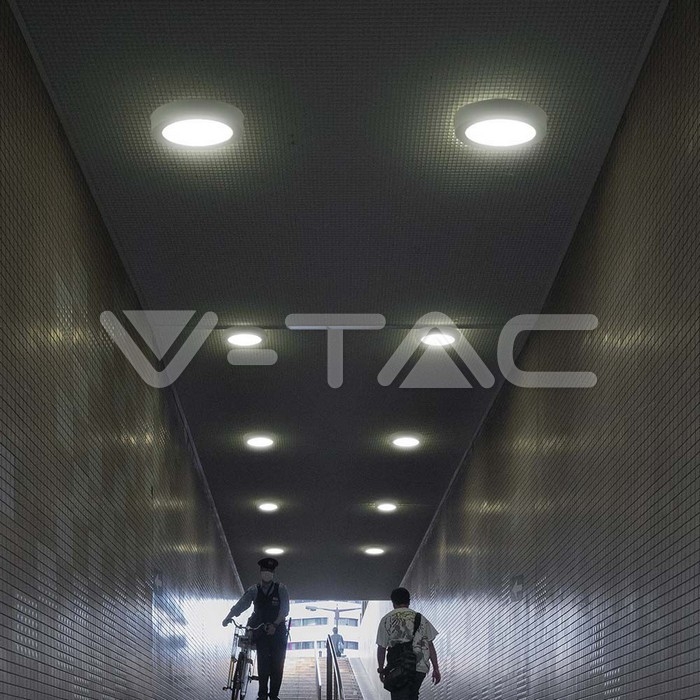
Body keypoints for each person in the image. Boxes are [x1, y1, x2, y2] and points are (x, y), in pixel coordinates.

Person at [222, 557, 289, 700]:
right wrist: (228, 617)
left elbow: (284, 610)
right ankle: (262, 695)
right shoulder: (254, 590)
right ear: (261, 571)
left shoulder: (281, 589)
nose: (267, 572)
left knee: (277, 664)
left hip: (278, 631)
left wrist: (275, 625)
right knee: (263, 663)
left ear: (273, 573)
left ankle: (274, 695)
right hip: (261, 630)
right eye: (265, 570)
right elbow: (242, 604)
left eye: (269, 570)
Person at [376, 587, 441, 700]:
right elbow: (430, 645)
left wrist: (381, 669)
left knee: (399, 695)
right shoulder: (421, 618)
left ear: (393, 603)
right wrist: (436, 668)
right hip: (419, 667)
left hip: (398, 667)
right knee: (412, 695)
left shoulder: (386, 619)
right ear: (409, 601)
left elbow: (381, 648)